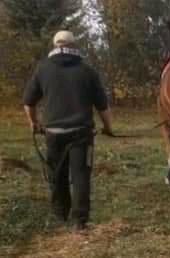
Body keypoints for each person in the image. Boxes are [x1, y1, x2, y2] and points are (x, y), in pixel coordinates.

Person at [23, 30, 112, 230]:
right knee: (81, 175)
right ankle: (79, 221)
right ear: (74, 47)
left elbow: (28, 102)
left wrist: (34, 123)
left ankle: (61, 214)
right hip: (81, 133)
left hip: (53, 133)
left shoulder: (42, 69)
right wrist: (108, 128)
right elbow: (103, 106)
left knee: (57, 174)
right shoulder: (87, 70)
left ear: (55, 45)